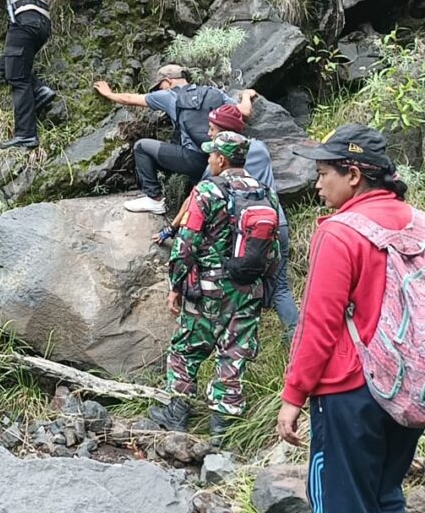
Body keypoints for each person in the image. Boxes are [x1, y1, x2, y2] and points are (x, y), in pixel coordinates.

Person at [276, 124, 422, 512]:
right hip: (408, 387)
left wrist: (294, 395)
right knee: (386, 495)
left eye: (324, 173)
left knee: (341, 500)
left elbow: (318, 325)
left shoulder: (340, 233)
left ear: (354, 175)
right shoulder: (419, 222)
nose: (318, 185)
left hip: (349, 391)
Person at [148, 131, 278, 442]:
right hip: (248, 288)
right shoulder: (265, 193)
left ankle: (177, 411)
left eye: (211, 155)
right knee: (234, 352)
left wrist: (176, 286)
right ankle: (224, 422)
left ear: (221, 159)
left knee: (186, 348)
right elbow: (271, 249)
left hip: (208, 288)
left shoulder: (207, 191)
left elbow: (186, 244)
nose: (208, 159)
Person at [157, 104, 299, 334]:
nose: (209, 133)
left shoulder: (218, 166)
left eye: (213, 129)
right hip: (275, 222)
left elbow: (195, 197)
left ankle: (228, 335)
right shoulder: (259, 147)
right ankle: (295, 339)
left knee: (238, 282)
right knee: (280, 288)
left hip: (244, 229)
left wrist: (171, 229)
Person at [0, 0, 101, 150]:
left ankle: (26, 135)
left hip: (22, 24)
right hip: (43, 26)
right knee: (5, 67)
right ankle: (40, 91)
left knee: (18, 80)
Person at [93, 66, 258, 214]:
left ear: (168, 81)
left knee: (142, 147)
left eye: (159, 86)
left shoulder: (169, 95)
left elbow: (130, 99)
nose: (159, 90)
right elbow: (244, 112)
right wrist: (246, 94)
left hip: (193, 160)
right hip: (221, 161)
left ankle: (154, 199)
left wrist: (109, 93)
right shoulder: (213, 93)